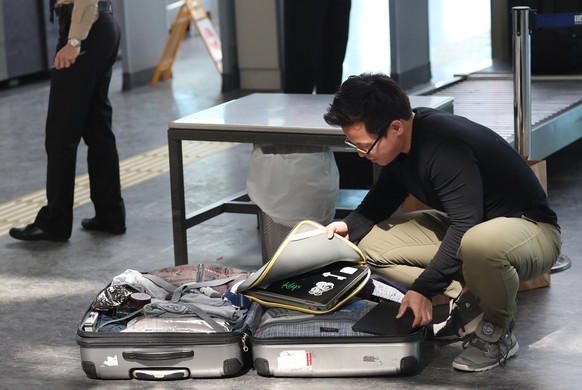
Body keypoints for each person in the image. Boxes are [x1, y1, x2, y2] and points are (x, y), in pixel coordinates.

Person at [323, 73, 561, 372]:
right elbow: (385, 197)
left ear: (395, 127)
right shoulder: (404, 140)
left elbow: (465, 227)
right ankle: (471, 303)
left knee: (478, 244)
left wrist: (423, 289)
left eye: (365, 146)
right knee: (369, 245)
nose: (361, 154)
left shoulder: (444, 146)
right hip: (473, 229)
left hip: (531, 230)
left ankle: (496, 333)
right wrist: (350, 226)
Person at [9, 0, 125, 242]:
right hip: (101, 25)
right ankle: (110, 214)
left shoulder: (78, 36)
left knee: (60, 135)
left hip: (84, 29)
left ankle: (55, 222)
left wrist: (74, 41)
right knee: (98, 129)